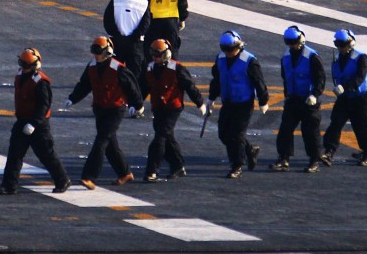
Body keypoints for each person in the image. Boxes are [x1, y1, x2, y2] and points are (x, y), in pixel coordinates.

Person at [64, 37, 143, 189]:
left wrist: (137, 105)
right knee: (110, 145)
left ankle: (89, 176)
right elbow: (84, 85)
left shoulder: (118, 68)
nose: (95, 55)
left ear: (107, 52)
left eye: (98, 51)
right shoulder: (92, 66)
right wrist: (73, 98)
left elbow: (132, 87)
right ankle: (124, 173)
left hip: (115, 110)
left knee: (101, 141)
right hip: (100, 109)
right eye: (93, 51)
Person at [0, 48, 71, 195]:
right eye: (21, 64)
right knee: (14, 154)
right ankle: (9, 185)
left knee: (46, 154)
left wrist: (34, 123)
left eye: (26, 65)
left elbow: (44, 105)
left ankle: (62, 180)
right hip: (23, 120)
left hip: (38, 125)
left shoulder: (41, 82)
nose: (23, 67)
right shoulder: (21, 75)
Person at [139, 39, 205, 183]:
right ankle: (178, 165)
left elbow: (189, 86)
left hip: (172, 108)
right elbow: (144, 87)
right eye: (153, 54)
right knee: (167, 137)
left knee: (159, 138)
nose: (155, 58)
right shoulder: (150, 68)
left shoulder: (177, 68)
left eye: (158, 54)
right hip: (158, 107)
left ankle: (152, 171)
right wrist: (137, 103)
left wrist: (199, 102)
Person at [208, 31, 269, 179]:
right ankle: (249, 150)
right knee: (224, 133)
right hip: (228, 102)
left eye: (231, 49)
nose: (228, 53)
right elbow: (216, 79)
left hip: (244, 104)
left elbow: (259, 82)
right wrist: (211, 98)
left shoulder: (249, 61)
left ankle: (237, 165)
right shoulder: (221, 58)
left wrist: (263, 101)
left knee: (236, 134)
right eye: (225, 49)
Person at [272, 26, 325, 172]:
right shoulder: (286, 56)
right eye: (288, 42)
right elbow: (285, 76)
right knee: (285, 130)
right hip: (293, 99)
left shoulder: (312, 56)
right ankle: (284, 158)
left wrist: (315, 94)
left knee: (310, 132)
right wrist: (287, 93)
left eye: (293, 42)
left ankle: (314, 160)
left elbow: (320, 78)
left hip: (309, 101)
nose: (291, 45)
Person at [321, 29, 367, 167]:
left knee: (362, 126)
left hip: (360, 97)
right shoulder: (338, 59)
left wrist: (345, 87)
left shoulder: (361, 57)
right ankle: (329, 151)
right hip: (345, 97)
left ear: (351, 43)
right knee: (335, 123)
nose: (340, 47)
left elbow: (360, 77)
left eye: (342, 44)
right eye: (337, 44)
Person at [103, 0, 151, 80]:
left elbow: (107, 19)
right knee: (134, 76)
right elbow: (146, 23)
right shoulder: (144, 2)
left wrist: (116, 34)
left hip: (116, 42)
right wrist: (136, 35)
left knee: (113, 73)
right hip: (135, 44)